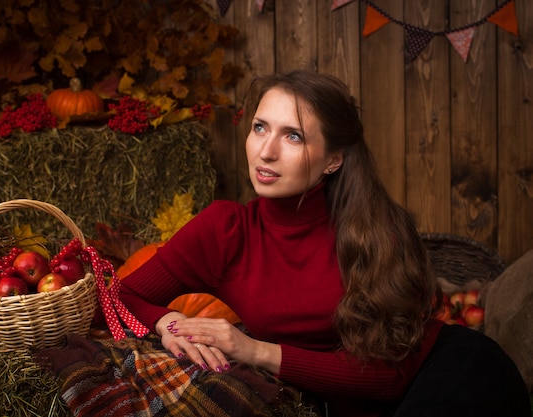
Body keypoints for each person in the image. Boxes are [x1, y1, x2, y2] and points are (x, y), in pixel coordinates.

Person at [119, 70, 531, 417]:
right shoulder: (224, 230)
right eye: (260, 127)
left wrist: (254, 350)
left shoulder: (376, 231)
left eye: (293, 136)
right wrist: (168, 325)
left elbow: (387, 378)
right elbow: (122, 294)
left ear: (333, 159)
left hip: (450, 376)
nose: (266, 151)